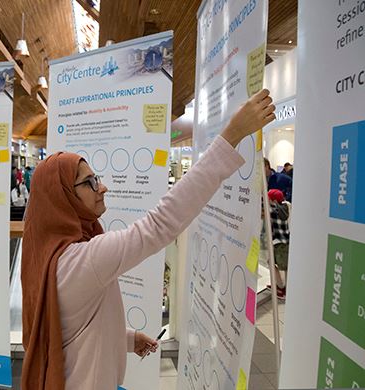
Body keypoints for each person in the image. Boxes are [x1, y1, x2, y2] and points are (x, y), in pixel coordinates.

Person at [21, 89, 276, 390]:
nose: (102, 187)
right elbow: (160, 224)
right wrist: (230, 136)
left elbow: (72, 327)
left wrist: (127, 339)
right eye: (89, 182)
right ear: (62, 197)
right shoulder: (79, 260)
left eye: (97, 178)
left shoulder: (47, 256)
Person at [267, 189, 290, 299]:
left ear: (274, 200)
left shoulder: (273, 211)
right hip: (285, 241)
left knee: (273, 263)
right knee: (284, 265)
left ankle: (281, 288)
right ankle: (283, 287)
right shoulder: (285, 207)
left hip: (279, 243)